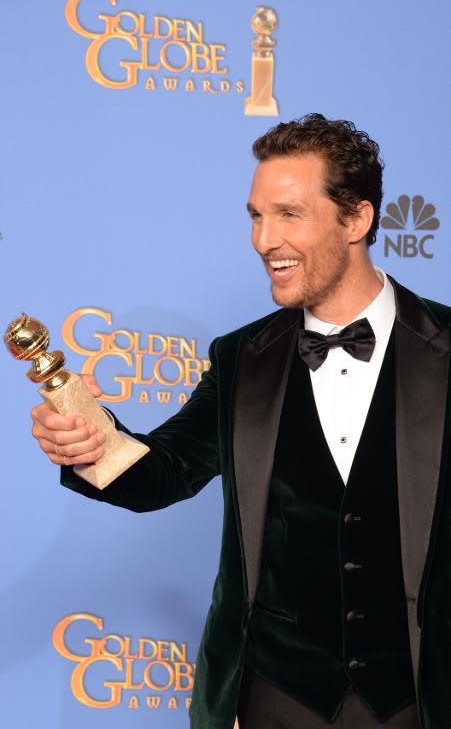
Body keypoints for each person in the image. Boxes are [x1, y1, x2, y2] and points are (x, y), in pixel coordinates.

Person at [30, 114, 451, 729]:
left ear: (356, 220)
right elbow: (162, 474)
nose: (263, 240)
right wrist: (88, 442)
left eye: (289, 214)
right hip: (273, 697)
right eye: (256, 216)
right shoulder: (241, 358)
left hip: (420, 693)